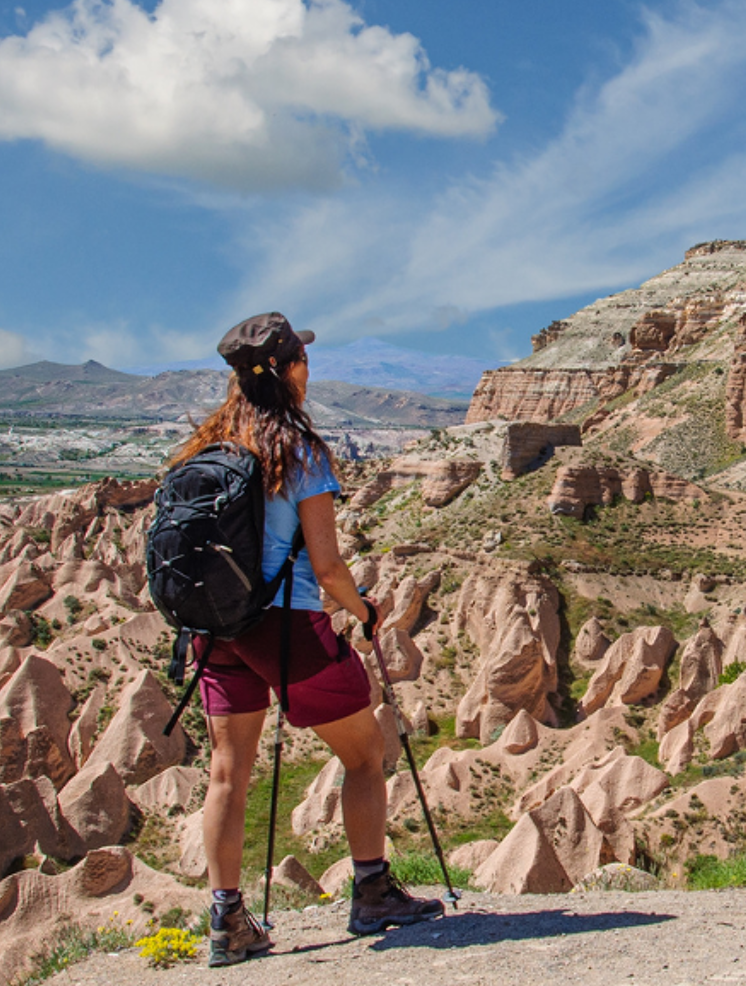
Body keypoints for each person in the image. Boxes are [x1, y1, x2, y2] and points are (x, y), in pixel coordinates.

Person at [166, 312, 443, 967]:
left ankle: (228, 921)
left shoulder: (205, 447)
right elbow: (327, 567)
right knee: (366, 751)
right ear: (288, 370)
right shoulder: (297, 449)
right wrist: (365, 610)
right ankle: (372, 889)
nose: (308, 369)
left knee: (227, 774)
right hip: (284, 627)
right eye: (303, 360)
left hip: (213, 629)